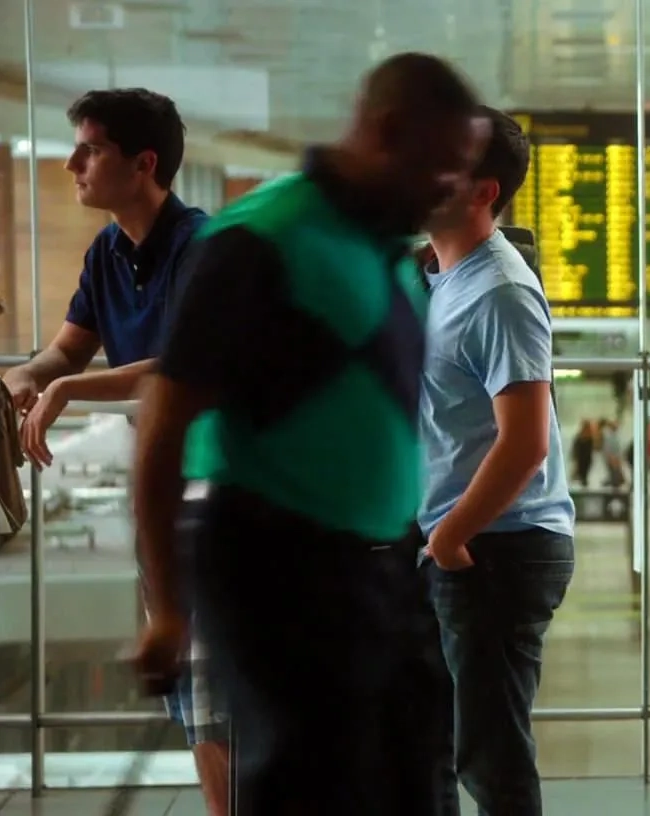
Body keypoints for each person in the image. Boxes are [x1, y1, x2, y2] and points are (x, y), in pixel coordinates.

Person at [128, 53, 486, 816]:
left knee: (415, 774)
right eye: (445, 166)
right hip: (275, 568)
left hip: (381, 569)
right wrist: (166, 611)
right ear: (389, 132)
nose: (453, 188)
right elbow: (163, 423)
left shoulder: (387, 256)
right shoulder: (263, 237)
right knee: (310, 785)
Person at [4, 87, 228, 816]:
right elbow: (67, 349)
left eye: (90, 148)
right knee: (196, 697)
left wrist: (69, 389)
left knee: (217, 692)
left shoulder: (201, 246)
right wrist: (26, 376)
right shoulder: (108, 251)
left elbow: (185, 362)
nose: (72, 163)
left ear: (144, 163)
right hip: (162, 489)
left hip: (218, 489)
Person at [415, 106, 576, 815]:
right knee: (441, 741)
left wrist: (449, 538)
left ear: (483, 191)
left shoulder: (499, 292)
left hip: (495, 548)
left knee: (490, 755)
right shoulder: (444, 276)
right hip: (466, 543)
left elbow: (525, 440)